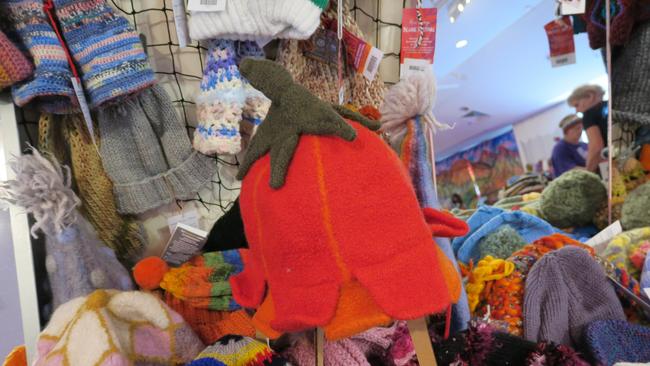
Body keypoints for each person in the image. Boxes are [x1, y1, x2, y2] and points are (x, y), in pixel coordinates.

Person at [567, 84, 608, 172]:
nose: (577, 110)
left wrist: (589, 171)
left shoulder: (588, 115)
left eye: (577, 105)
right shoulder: (609, 105)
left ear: (590, 96)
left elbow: (596, 147)